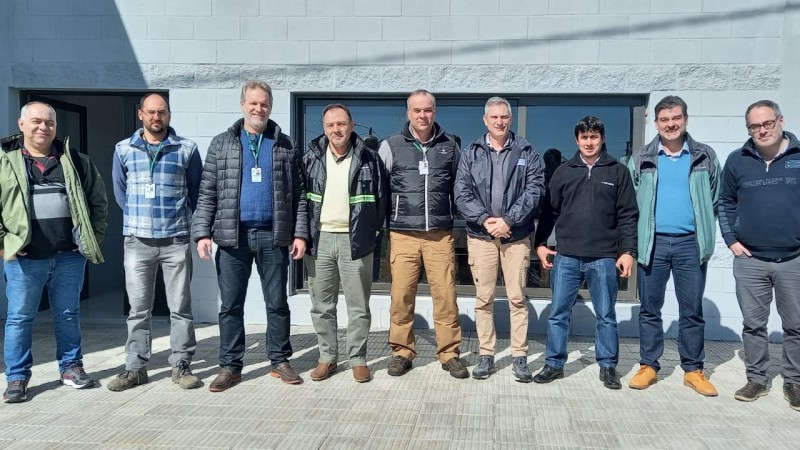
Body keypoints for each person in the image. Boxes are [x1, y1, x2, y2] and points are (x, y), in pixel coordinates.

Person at [192, 80, 308, 391]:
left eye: (264, 104)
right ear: (243, 105)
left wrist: (300, 233)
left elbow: (299, 195)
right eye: (253, 103)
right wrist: (202, 232)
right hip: (233, 237)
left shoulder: (285, 144)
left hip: (273, 235)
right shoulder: (221, 144)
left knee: (277, 302)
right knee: (230, 305)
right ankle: (231, 365)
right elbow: (207, 192)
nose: (259, 109)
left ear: (271, 107)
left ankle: (280, 360)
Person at [2, 102, 108, 403]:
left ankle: (71, 367)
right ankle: (17, 378)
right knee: (20, 318)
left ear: (56, 127)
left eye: (49, 122)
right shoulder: (5, 161)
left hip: (68, 257)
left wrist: (90, 237)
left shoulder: (75, 160)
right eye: (35, 121)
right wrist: (4, 243)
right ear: (21, 124)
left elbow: (98, 203)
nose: (42, 127)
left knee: (68, 314)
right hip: (25, 258)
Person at [533, 116, 638, 390]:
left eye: (594, 137)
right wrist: (542, 243)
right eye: (584, 137)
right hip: (566, 255)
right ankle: (554, 363)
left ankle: (608, 366)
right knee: (558, 313)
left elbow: (628, 215)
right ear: (576, 140)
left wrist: (627, 250)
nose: (589, 142)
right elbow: (549, 211)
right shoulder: (565, 171)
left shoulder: (617, 171)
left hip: (603, 257)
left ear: (602, 138)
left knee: (606, 314)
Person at [108, 93, 203, 391]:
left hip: (176, 240)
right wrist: (140, 219)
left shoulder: (186, 149)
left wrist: (179, 220)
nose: (156, 117)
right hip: (137, 241)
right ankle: (136, 368)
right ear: (140, 115)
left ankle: (181, 364)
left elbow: (196, 191)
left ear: (169, 114)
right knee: (138, 309)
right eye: (150, 112)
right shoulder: (123, 149)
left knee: (180, 307)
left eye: (161, 112)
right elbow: (120, 192)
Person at [627, 95, 721, 396]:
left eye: (676, 118)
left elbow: (715, 199)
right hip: (652, 244)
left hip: (689, 245)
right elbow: (630, 202)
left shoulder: (705, 156)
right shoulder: (642, 157)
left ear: (686, 120)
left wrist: (704, 231)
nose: (671, 124)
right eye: (664, 119)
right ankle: (649, 366)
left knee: (691, 310)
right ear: (656, 123)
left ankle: (693, 369)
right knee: (649, 308)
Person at [378, 89, 468, 379]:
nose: (422, 115)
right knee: (402, 295)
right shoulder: (391, 146)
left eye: (427, 110)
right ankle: (402, 352)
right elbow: (380, 191)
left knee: (445, 295)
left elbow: (460, 186)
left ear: (434, 112)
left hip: (440, 234)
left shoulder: (450, 146)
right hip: (402, 233)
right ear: (408, 113)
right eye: (416, 110)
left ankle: (449, 353)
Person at [455, 96, 544, 382]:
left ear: (510, 118)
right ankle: (486, 355)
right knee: (484, 299)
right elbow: (461, 193)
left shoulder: (527, 150)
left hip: (516, 237)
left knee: (517, 298)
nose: (499, 121)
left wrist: (508, 221)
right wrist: (485, 220)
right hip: (481, 237)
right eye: (494, 117)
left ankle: (519, 356)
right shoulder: (471, 152)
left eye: (504, 116)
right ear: (485, 120)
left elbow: (534, 190)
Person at [718, 100, 800, 411]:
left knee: (796, 324)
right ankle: (757, 379)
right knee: (754, 324)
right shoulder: (737, 161)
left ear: (781, 121)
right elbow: (724, 202)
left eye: (767, 123)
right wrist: (730, 240)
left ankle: (794, 381)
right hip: (750, 259)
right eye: (754, 126)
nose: (762, 130)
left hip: (794, 257)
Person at [303, 103, 387, 383]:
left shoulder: (369, 159)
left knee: (358, 305)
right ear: (324, 128)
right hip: (321, 240)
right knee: (322, 305)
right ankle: (327, 357)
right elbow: (301, 201)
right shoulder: (311, 158)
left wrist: (373, 233)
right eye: (330, 125)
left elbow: (382, 201)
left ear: (352, 126)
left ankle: (358, 358)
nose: (336, 130)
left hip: (356, 240)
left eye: (341, 124)